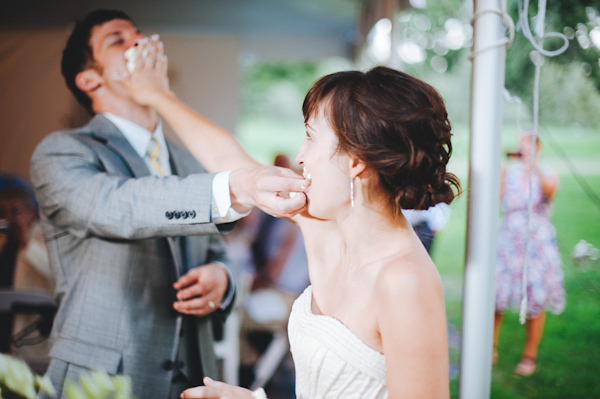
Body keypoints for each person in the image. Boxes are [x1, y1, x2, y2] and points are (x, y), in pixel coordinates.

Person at [122, 43, 460, 398]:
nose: (300, 156)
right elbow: (228, 159)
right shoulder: (326, 230)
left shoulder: (404, 280)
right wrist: (157, 96)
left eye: (311, 138)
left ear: (355, 161)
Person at [29, 10, 309, 399]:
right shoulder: (62, 152)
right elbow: (118, 205)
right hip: (103, 379)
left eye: (139, 34)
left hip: (193, 376)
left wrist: (222, 279)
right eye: (118, 40)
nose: (139, 42)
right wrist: (235, 185)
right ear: (89, 79)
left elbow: (218, 251)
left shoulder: (190, 157)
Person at [493, 132, 565, 376]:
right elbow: (497, 200)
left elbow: (550, 192)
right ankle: (490, 348)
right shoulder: (509, 172)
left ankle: (529, 355)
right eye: (521, 144)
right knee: (497, 294)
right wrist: (502, 173)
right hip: (509, 238)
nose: (523, 149)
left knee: (536, 297)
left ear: (537, 148)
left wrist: (532, 166)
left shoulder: (547, 172)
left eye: (528, 145)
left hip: (536, 242)